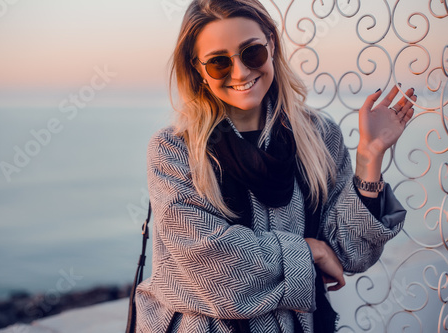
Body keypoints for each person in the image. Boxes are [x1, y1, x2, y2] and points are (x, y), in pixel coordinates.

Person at [135, 0, 415, 331]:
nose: (240, 72)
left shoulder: (318, 136)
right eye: (219, 63)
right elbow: (210, 268)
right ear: (197, 69)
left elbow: (350, 254)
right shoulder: (175, 150)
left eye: (251, 52)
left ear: (271, 44)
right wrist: (307, 251)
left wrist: (369, 155)